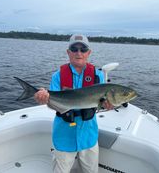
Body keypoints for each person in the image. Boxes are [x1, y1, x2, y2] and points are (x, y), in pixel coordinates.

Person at [34, 34, 113, 173]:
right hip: (64, 136)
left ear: (89, 52)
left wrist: (108, 105)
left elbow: (101, 104)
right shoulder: (57, 76)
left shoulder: (98, 75)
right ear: (68, 52)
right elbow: (53, 104)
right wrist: (45, 99)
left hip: (88, 136)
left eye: (83, 49)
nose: (79, 53)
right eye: (74, 49)